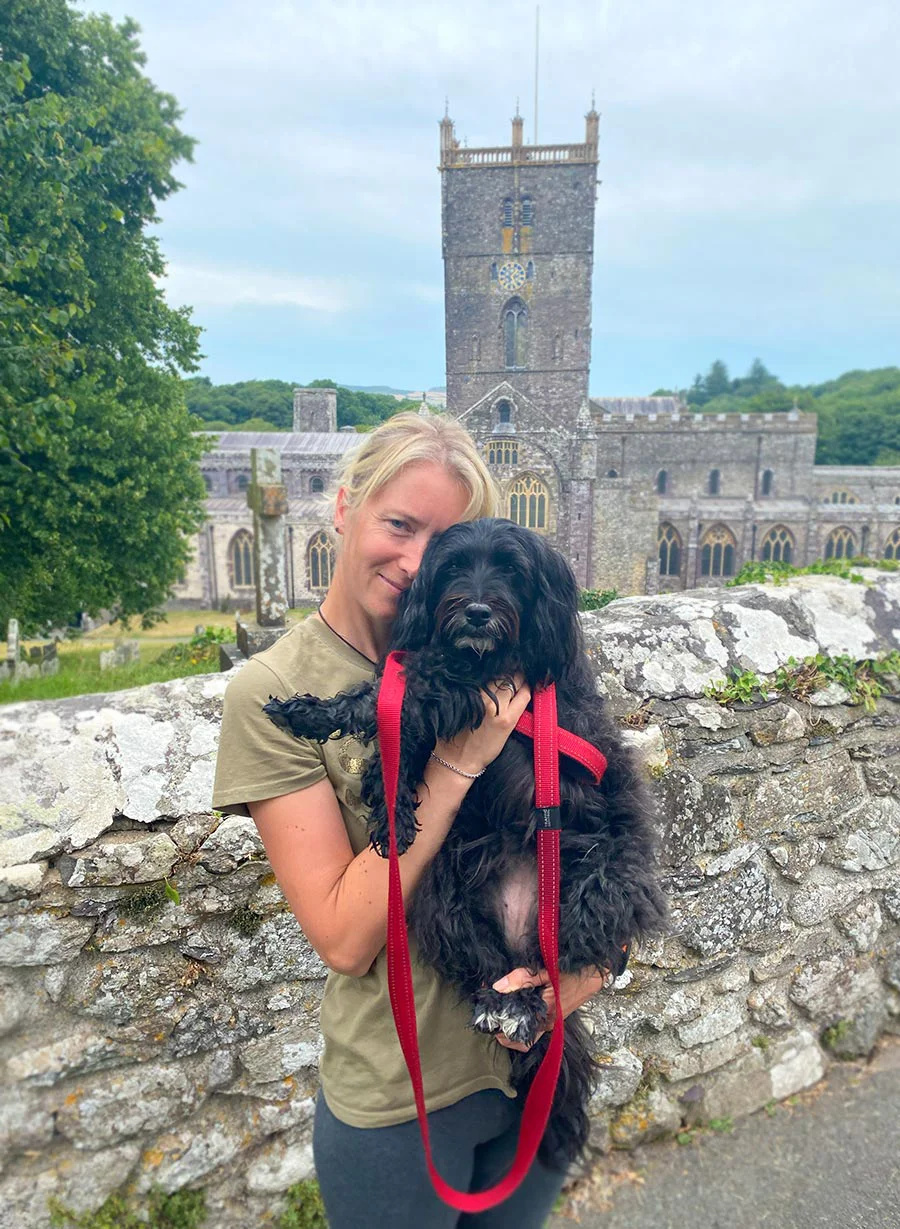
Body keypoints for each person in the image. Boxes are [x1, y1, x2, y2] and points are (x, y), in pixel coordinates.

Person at [213, 412, 610, 1228]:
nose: (420, 562)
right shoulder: (274, 693)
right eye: (400, 524)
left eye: (450, 541)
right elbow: (344, 936)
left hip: (536, 1064)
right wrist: (461, 758)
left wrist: (601, 963)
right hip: (402, 1099)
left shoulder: (515, 651)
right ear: (343, 506)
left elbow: (596, 827)